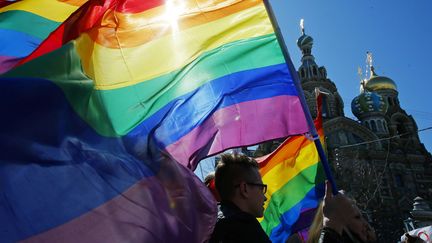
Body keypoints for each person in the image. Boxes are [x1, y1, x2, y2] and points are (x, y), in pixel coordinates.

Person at [209, 153, 271, 243]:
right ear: (244, 189)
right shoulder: (245, 227)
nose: (265, 197)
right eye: (261, 187)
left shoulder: (209, 223)